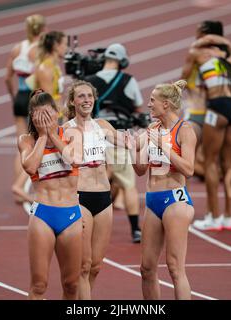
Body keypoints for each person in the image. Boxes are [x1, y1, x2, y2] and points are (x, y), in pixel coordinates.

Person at [64, 80, 131, 299]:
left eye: (89, 96)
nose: (86, 100)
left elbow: (128, 143)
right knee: (83, 266)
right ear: (73, 101)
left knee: (96, 266)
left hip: (104, 197)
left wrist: (154, 132)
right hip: (80, 197)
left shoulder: (103, 126)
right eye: (81, 96)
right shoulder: (65, 130)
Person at [132, 80, 197, 300]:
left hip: (175, 201)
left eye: (152, 101)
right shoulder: (152, 129)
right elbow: (140, 171)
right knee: (146, 268)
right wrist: (134, 149)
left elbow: (188, 169)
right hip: (153, 200)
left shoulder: (185, 130)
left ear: (166, 104)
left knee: (174, 268)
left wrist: (162, 146)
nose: (148, 105)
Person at [18, 91, 83, 299]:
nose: (45, 120)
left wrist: (53, 135)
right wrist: (43, 136)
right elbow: (29, 167)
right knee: (39, 285)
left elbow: (74, 159)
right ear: (32, 118)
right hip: (42, 215)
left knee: (72, 284)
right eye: (39, 116)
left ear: (58, 113)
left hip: (70, 215)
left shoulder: (73, 134)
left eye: (48, 114)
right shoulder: (27, 140)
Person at [187, 21, 231, 231]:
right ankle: (228, 217)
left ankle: (213, 217)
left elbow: (183, 79)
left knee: (211, 162)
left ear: (204, 35)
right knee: (229, 165)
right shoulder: (227, 55)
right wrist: (224, 46)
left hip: (217, 108)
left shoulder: (198, 53)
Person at [85, 43, 143, 243]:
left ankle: (87, 223)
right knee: (128, 185)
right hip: (119, 135)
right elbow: (137, 106)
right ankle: (135, 229)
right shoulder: (128, 80)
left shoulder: (89, 81)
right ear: (123, 60)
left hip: (95, 136)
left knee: (93, 183)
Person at [4, 14, 45, 204]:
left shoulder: (16, 48)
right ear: (42, 29)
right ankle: (25, 185)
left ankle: (16, 186)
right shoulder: (40, 50)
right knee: (36, 142)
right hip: (33, 98)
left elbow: (6, 77)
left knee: (21, 143)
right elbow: (40, 77)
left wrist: (14, 96)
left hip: (20, 97)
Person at [30, 30, 68, 119]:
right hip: (49, 120)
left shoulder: (55, 66)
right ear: (55, 46)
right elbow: (47, 101)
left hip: (58, 116)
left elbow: (57, 94)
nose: (66, 48)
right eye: (65, 44)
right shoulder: (45, 69)